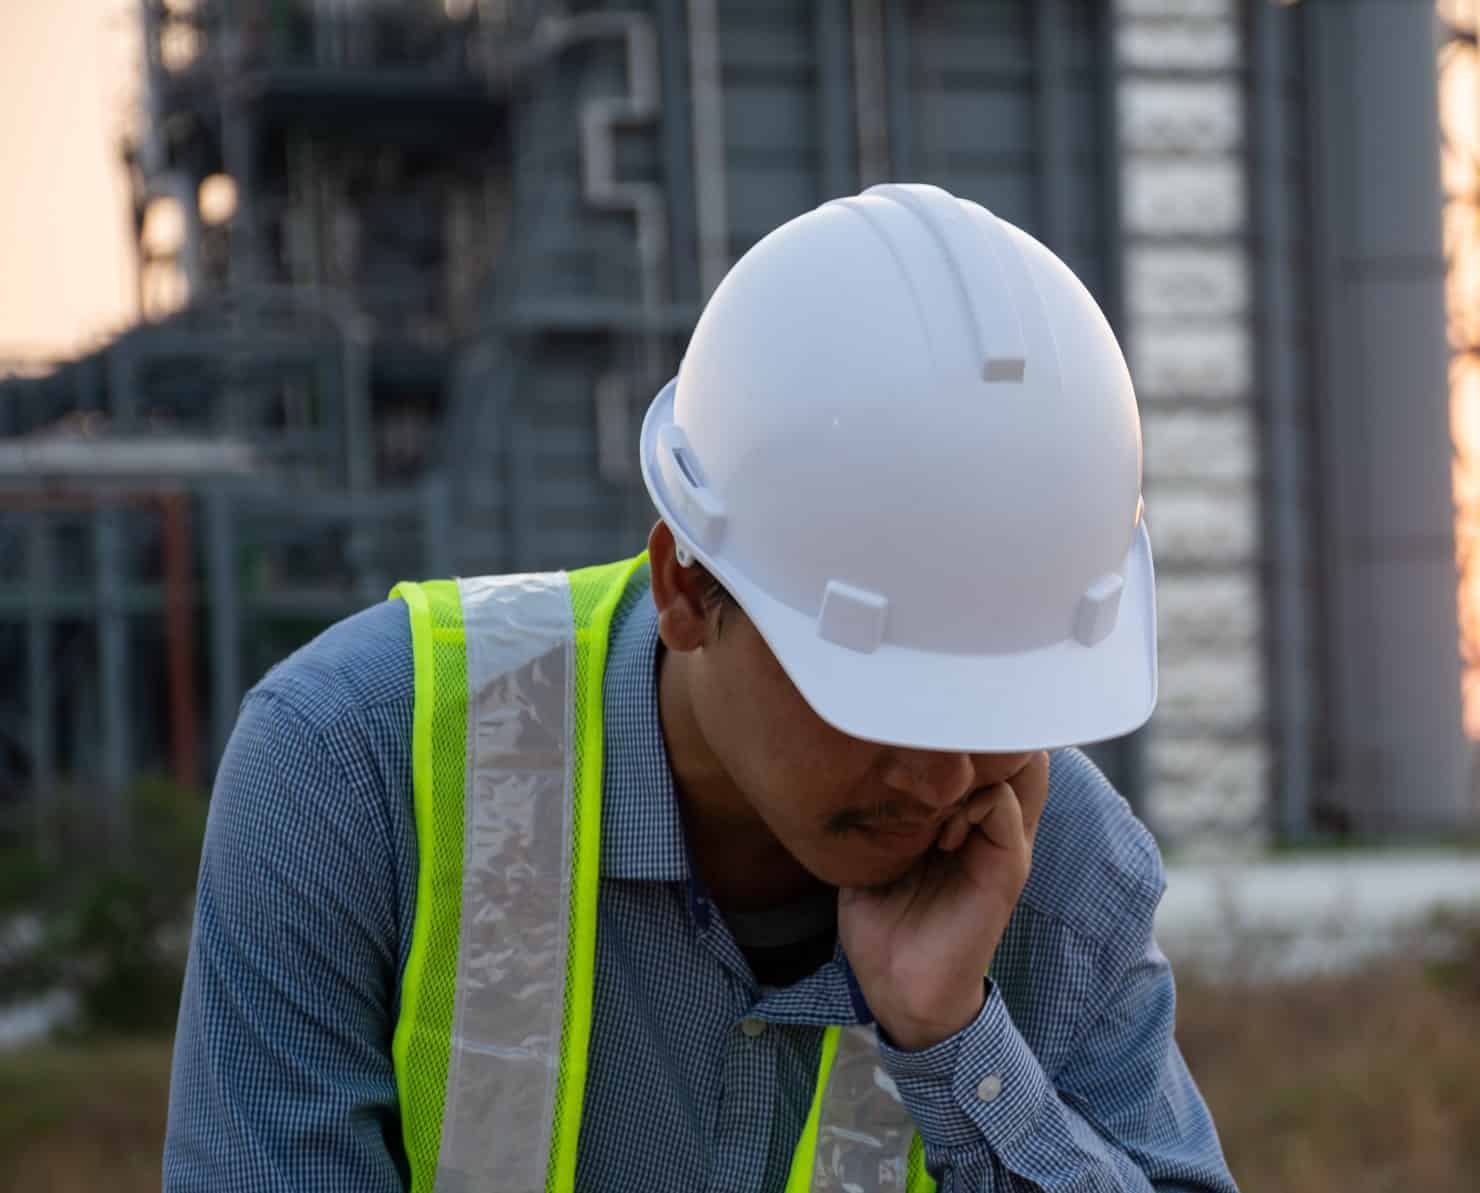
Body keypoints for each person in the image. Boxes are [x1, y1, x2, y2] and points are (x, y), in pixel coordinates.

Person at [162, 183, 1239, 1193]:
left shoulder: (1064, 877)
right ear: (686, 584)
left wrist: (956, 1042)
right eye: (879, 697)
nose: (947, 777)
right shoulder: (356, 769)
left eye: (998, 706)